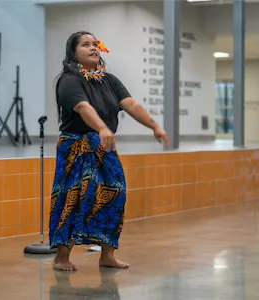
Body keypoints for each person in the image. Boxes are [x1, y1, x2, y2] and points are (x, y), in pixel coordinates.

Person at [49, 31, 170, 271]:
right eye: (85, 45)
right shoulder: (69, 80)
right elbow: (83, 107)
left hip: (103, 145)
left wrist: (154, 125)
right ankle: (61, 257)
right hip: (76, 145)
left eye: (95, 44)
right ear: (73, 53)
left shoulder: (109, 80)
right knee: (73, 197)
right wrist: (102, 128)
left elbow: (131, 104)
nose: (93, 48)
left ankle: (107, 254)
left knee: (115, 192)